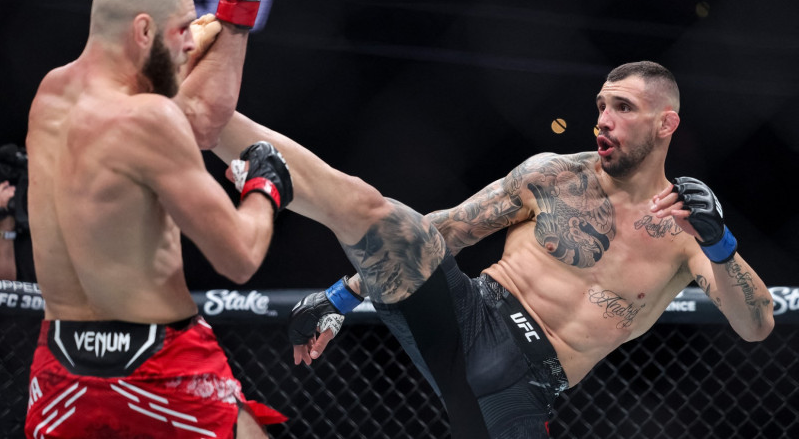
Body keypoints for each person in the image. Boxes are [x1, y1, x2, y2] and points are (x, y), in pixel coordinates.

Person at [216, 61, 775, 439]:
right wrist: (341, 295)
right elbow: (447, 230)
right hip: (467, 315)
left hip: (524, 390)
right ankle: (216, 124)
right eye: (601, 106)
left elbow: (756, 325)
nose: (603, 121)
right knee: (376, 210)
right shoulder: (552, 175)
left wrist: (718, 242)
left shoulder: (685, 232)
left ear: (666, 123)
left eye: (623, 108)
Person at [24, 0, 292, 438]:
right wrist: (266, 184)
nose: (191, 43)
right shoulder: (149, 119)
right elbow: (239, 258)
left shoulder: (50, 95)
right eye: (182, 28)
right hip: (162, 367)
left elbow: (198, 114)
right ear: (143, 30)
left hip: (61, 372)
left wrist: (235, 12)